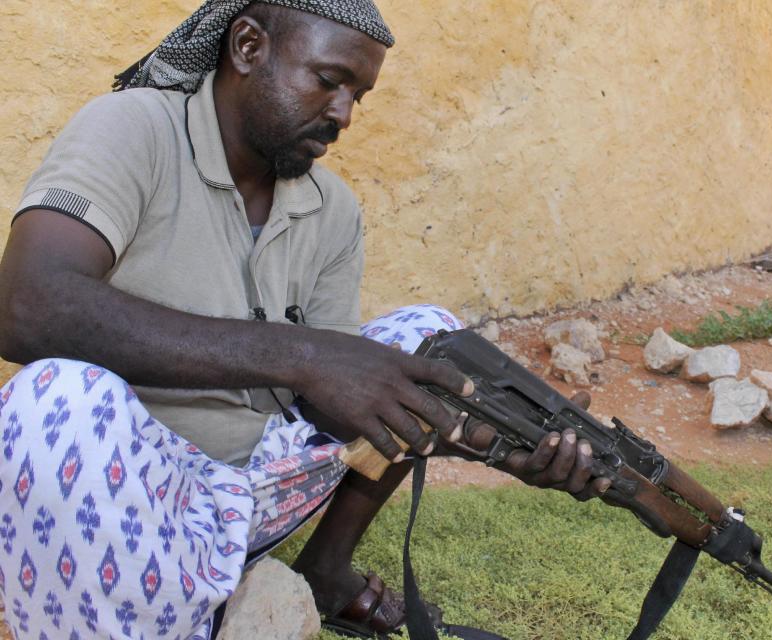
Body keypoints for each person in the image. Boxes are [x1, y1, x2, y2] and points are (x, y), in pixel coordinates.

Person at [0, 1, 609, 638]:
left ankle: (321, 572)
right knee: (50, 400)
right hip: (132, 500)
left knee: (428, 340)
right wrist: (303, 355)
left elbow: (338, 404)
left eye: (358, 95)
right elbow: (30, 305)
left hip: (262, 484)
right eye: (328, 80)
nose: (344, 114)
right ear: (247, 47)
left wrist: (496, 440)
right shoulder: (133, 129)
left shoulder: (332, 210)